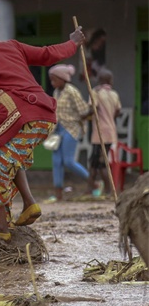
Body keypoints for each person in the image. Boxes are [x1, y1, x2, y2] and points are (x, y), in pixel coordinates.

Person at [0, 13, 85, 238]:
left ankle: (1, 225)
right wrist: (72, 42)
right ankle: (29, 203)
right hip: (43, 115)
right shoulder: (12, 46)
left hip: (20, 118)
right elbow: (47, 55)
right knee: (8, 159)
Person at [47, 63, 91, 202]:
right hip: (58, 129)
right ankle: (58, 193)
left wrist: (80, 119)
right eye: (51, 80)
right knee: (57, 161)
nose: (52, 83)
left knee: (68, 161)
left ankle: (93, 182)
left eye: (54, 80)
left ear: (63, 78)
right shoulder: (56, 93)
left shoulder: (72, 91)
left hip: (71, 129)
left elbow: (84, 110)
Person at [86, 69, 121, 197]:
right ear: (110, 81)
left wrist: (81, 116)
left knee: (100, 163)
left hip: (99, 133)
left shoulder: (95, 92)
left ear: (99, 80)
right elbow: (118, 111)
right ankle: (91, 189)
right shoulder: (114, 94)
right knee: (95, 162)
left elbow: (92, 109)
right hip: (111, 131)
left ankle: (109, 190)